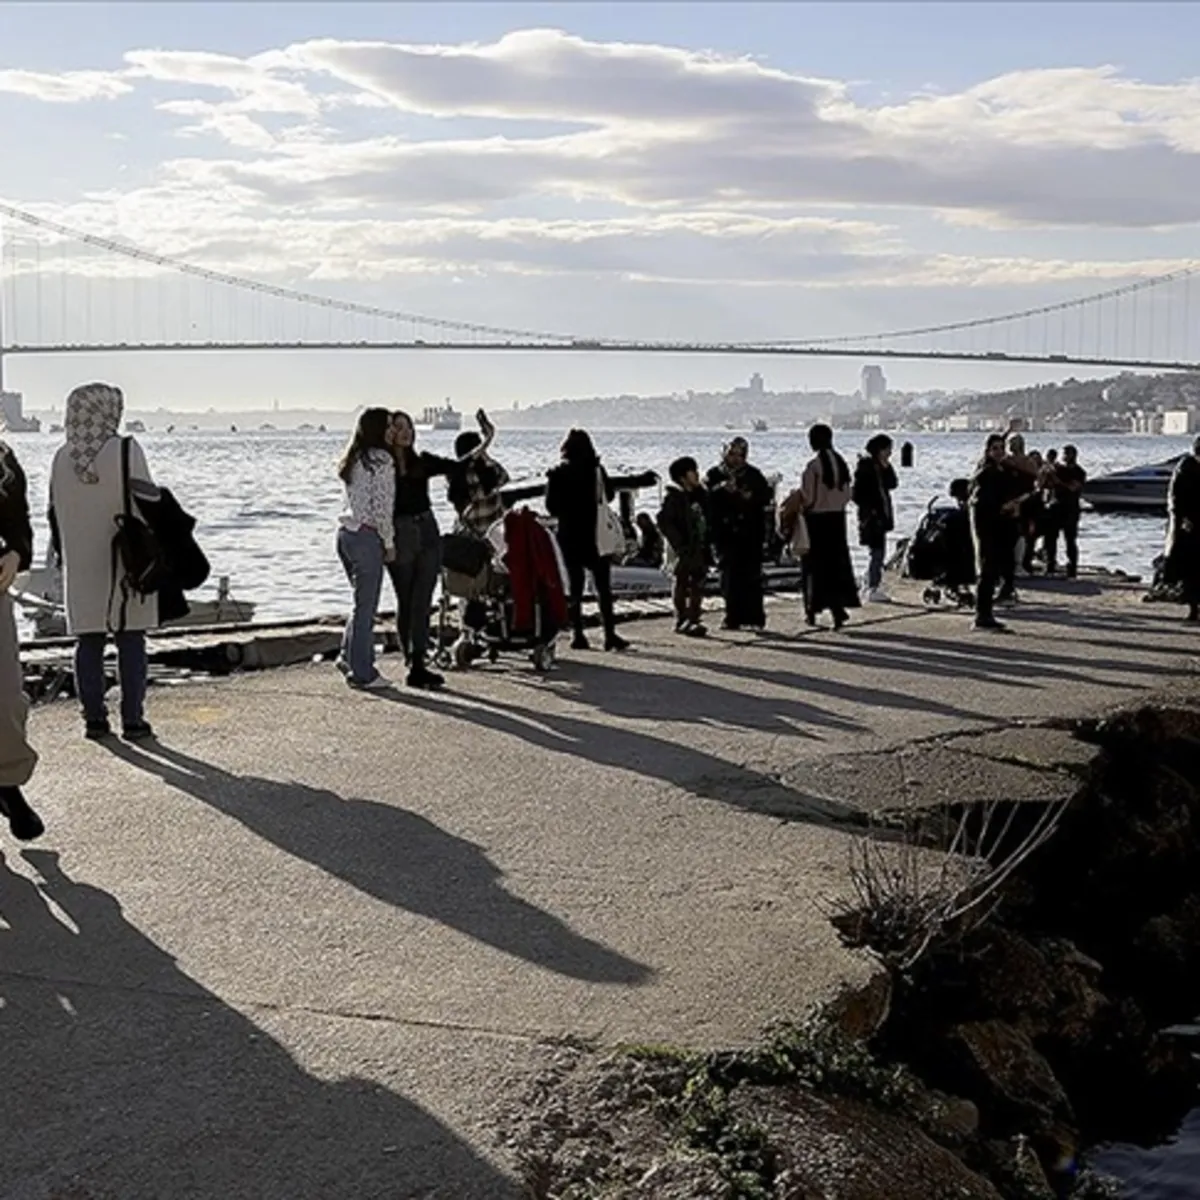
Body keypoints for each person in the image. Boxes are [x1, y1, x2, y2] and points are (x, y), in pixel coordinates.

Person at [48, 383, 158, 740]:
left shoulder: (62, 457)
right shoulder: (127, 449)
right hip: (126, 561)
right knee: (131, 639)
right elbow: (149, 502)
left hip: (79, 564)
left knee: (88, 641)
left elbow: (53, 513)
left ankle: (94, 720)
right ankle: (133, 720)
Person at [388, 408, 494, 689]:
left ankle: (419, 663)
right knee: (406, 600)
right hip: (399, 532)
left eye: (409, 425)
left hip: (426, 530)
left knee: (423, 599)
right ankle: (410, 659)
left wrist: (487, 442)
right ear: (389, 432)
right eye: (399, 426)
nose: (406, 431)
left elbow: (459, 465)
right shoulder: (381, 465)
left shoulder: (422, 461)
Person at [545, 428, 628, 652]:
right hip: (595, 534)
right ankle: (609, 634)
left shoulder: (557, 473)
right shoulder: (596, 471)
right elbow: (609, 496)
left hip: (569, 534)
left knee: (575, 587)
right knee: (603, 587)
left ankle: (578, 634)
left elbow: (550, 507)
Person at [0, 439, 44, 842]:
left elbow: (18, 524)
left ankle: (7, 782)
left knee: (8, 696)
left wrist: (15, 554)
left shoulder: (2, 457)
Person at [335, 407, 395, 690]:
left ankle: (348, 656)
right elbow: (382, 508)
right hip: (367, 538)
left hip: (345, 535)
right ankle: (363, 672)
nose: (393, 431)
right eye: (389, 426)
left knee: (361, 604)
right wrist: (389, 542)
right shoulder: (381, 460)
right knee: (366, 606)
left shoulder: (354, 459)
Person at [705, 438, 772, 630]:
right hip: (725, 534)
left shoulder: (753, 475)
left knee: (751, 576)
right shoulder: (714, 474)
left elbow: (765, 497)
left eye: (738, 455)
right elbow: (706, 498)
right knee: (728, 576)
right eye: (731, 454)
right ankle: (731, 616)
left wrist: (748, 496)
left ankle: (754, 617)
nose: (734, 459)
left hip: (749, 533)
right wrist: (721, 490)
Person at [799, 424, 859, 630]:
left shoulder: (813, 466)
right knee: (836, 567)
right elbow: (848, 494)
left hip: (816, 521)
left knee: (812, 568)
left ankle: (811, 610)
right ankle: (837, 609)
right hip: (837, 520)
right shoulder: (841, 464)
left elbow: (808, 498)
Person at [970, 434, 1021, 631]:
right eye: (995, 448)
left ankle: (987, 612)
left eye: (1002, 448)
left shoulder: (1001, 471)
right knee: (986, 569)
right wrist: (1003, 507)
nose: (1000, 452)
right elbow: (981, 502)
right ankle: (982, 615)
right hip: (987, 527)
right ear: (988, 450)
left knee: (993, 569)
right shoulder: (985, 473)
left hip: (998, 525)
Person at [657, 456, 710, 637]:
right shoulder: (674, 498)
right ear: (682, 477)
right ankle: (681, 618)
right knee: (681, 581)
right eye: (692, 472)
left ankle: (694, 617)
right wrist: (679, 544)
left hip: (698, 546)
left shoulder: (700, 495)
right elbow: (665, 522)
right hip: (682, 548)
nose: (697, 475)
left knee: (698, 582)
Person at [852, 433, 898, 602]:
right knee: (877, 551)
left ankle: (869, 581)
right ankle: (872, 586)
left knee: (879, 551)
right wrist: (869, 511)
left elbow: (893, 484)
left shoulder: (882, 466)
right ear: (879, 449)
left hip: (881, 514)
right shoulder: (865, 466)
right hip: (871, 516)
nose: (890, 453)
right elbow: (857, 493)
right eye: (887, 449)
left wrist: (887, 467)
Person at [1163, 435, 1200, 623]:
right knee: (1190, 569)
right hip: (1189, 525)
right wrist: (1181, 519)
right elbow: (1175, 497)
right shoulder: (1186, 468)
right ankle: (1193, 608)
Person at [1045, 445, 1087, 578]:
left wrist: (1057, 481)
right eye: (1064, 454)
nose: (1064, 457)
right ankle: (1050, 566)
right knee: (1050, 539)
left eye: (1067, 454)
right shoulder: (1057, 469)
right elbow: (1046, 485)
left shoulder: (1079, 472)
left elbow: (1073, 488)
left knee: (1070, 540)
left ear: (1074, 455)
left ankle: (1072, 568)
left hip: (1071, 508)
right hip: (1055, 506)